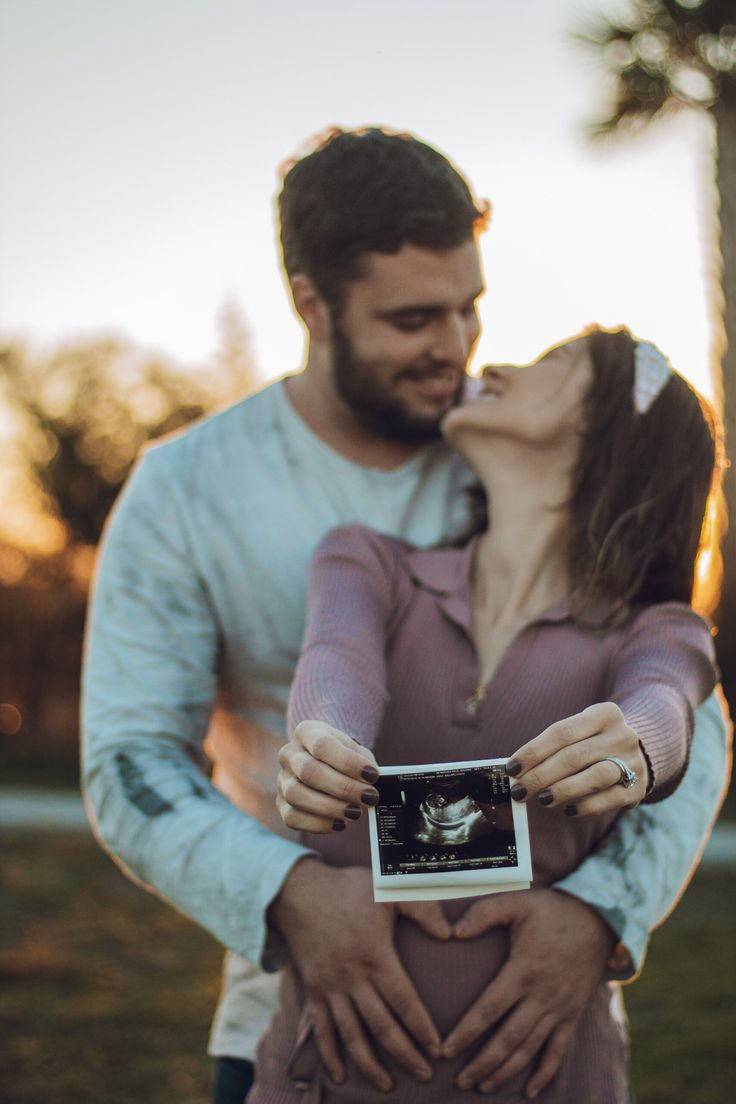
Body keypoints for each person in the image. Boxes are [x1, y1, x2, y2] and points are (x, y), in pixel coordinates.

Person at [80, 127, 731, 1104]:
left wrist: (601, 912)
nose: (459, 350)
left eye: (471, 308)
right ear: (312, 304)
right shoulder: (189, 491)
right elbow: (130, 760)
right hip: (299, 1011)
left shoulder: (515, 444)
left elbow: (687, 713)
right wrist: (292, 894)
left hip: (534, 1016)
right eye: (415, 318)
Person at [264, 326, 719, 1102]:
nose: (495, 366)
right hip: (326, 1078)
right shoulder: (367, 561)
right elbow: (337, 658)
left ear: (609, 424)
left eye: (550, 363)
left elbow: (667, 695)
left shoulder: (657, 627)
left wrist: (638, 745)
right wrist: (324, 740)